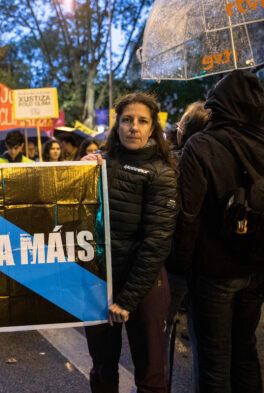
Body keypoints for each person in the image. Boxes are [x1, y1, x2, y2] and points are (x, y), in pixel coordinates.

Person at [168, 70, 264, 393]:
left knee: (213, 359)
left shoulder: (200, 145)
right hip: (258, 267)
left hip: (212, 271)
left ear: (218, 103)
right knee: (246, 351)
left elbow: (187, 217)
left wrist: (179, 268)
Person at [82, 92, 177, 393]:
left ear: (152, 128)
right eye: (127, 120)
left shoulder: (162, 172)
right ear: (117, 125)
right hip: (100, 281)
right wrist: (79, 171)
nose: (133, 127)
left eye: (142, 121)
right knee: (102, 368)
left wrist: (127, 299)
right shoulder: (99, 163)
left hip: (145, 285)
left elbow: (157, 241)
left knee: (150, 376)